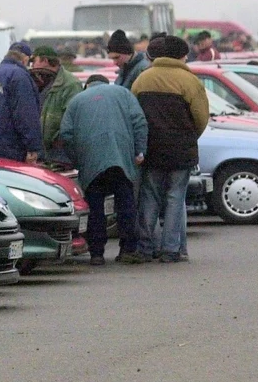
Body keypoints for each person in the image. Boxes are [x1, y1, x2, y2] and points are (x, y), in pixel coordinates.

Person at [131, 35, 208, 262]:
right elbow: (201, 117)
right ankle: (171, 249)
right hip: (181, 149)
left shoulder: (142, 79)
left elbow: (134, 115)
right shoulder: (189, 81)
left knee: (149, 198)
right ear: (181, 56)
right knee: (175, 198)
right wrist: (189, 137)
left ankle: (146, 247)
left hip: (151, 148)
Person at [59, 74, 148, 265]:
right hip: (121, 159)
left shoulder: (76, 101)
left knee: (95, 207)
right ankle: (128, 249)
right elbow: (139, 121)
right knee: (126, 204)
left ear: (87, 86)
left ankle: (97, 253)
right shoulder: (123, 93)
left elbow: (65, 134)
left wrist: (78, 158)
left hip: (91, 163)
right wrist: (139, 150)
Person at [0, 42, 42, 162]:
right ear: (25, 59)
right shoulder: (20, 76)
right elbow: (25, 114)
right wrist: (33, 147)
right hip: (12, 149)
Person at [29, 45, 81, 164]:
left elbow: (73, 118)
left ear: (45, 60)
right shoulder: (41, 81)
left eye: (34, 61)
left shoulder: (70, 84)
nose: (32, 66)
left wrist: (57, 140)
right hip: (43, 152)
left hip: (61, 154)